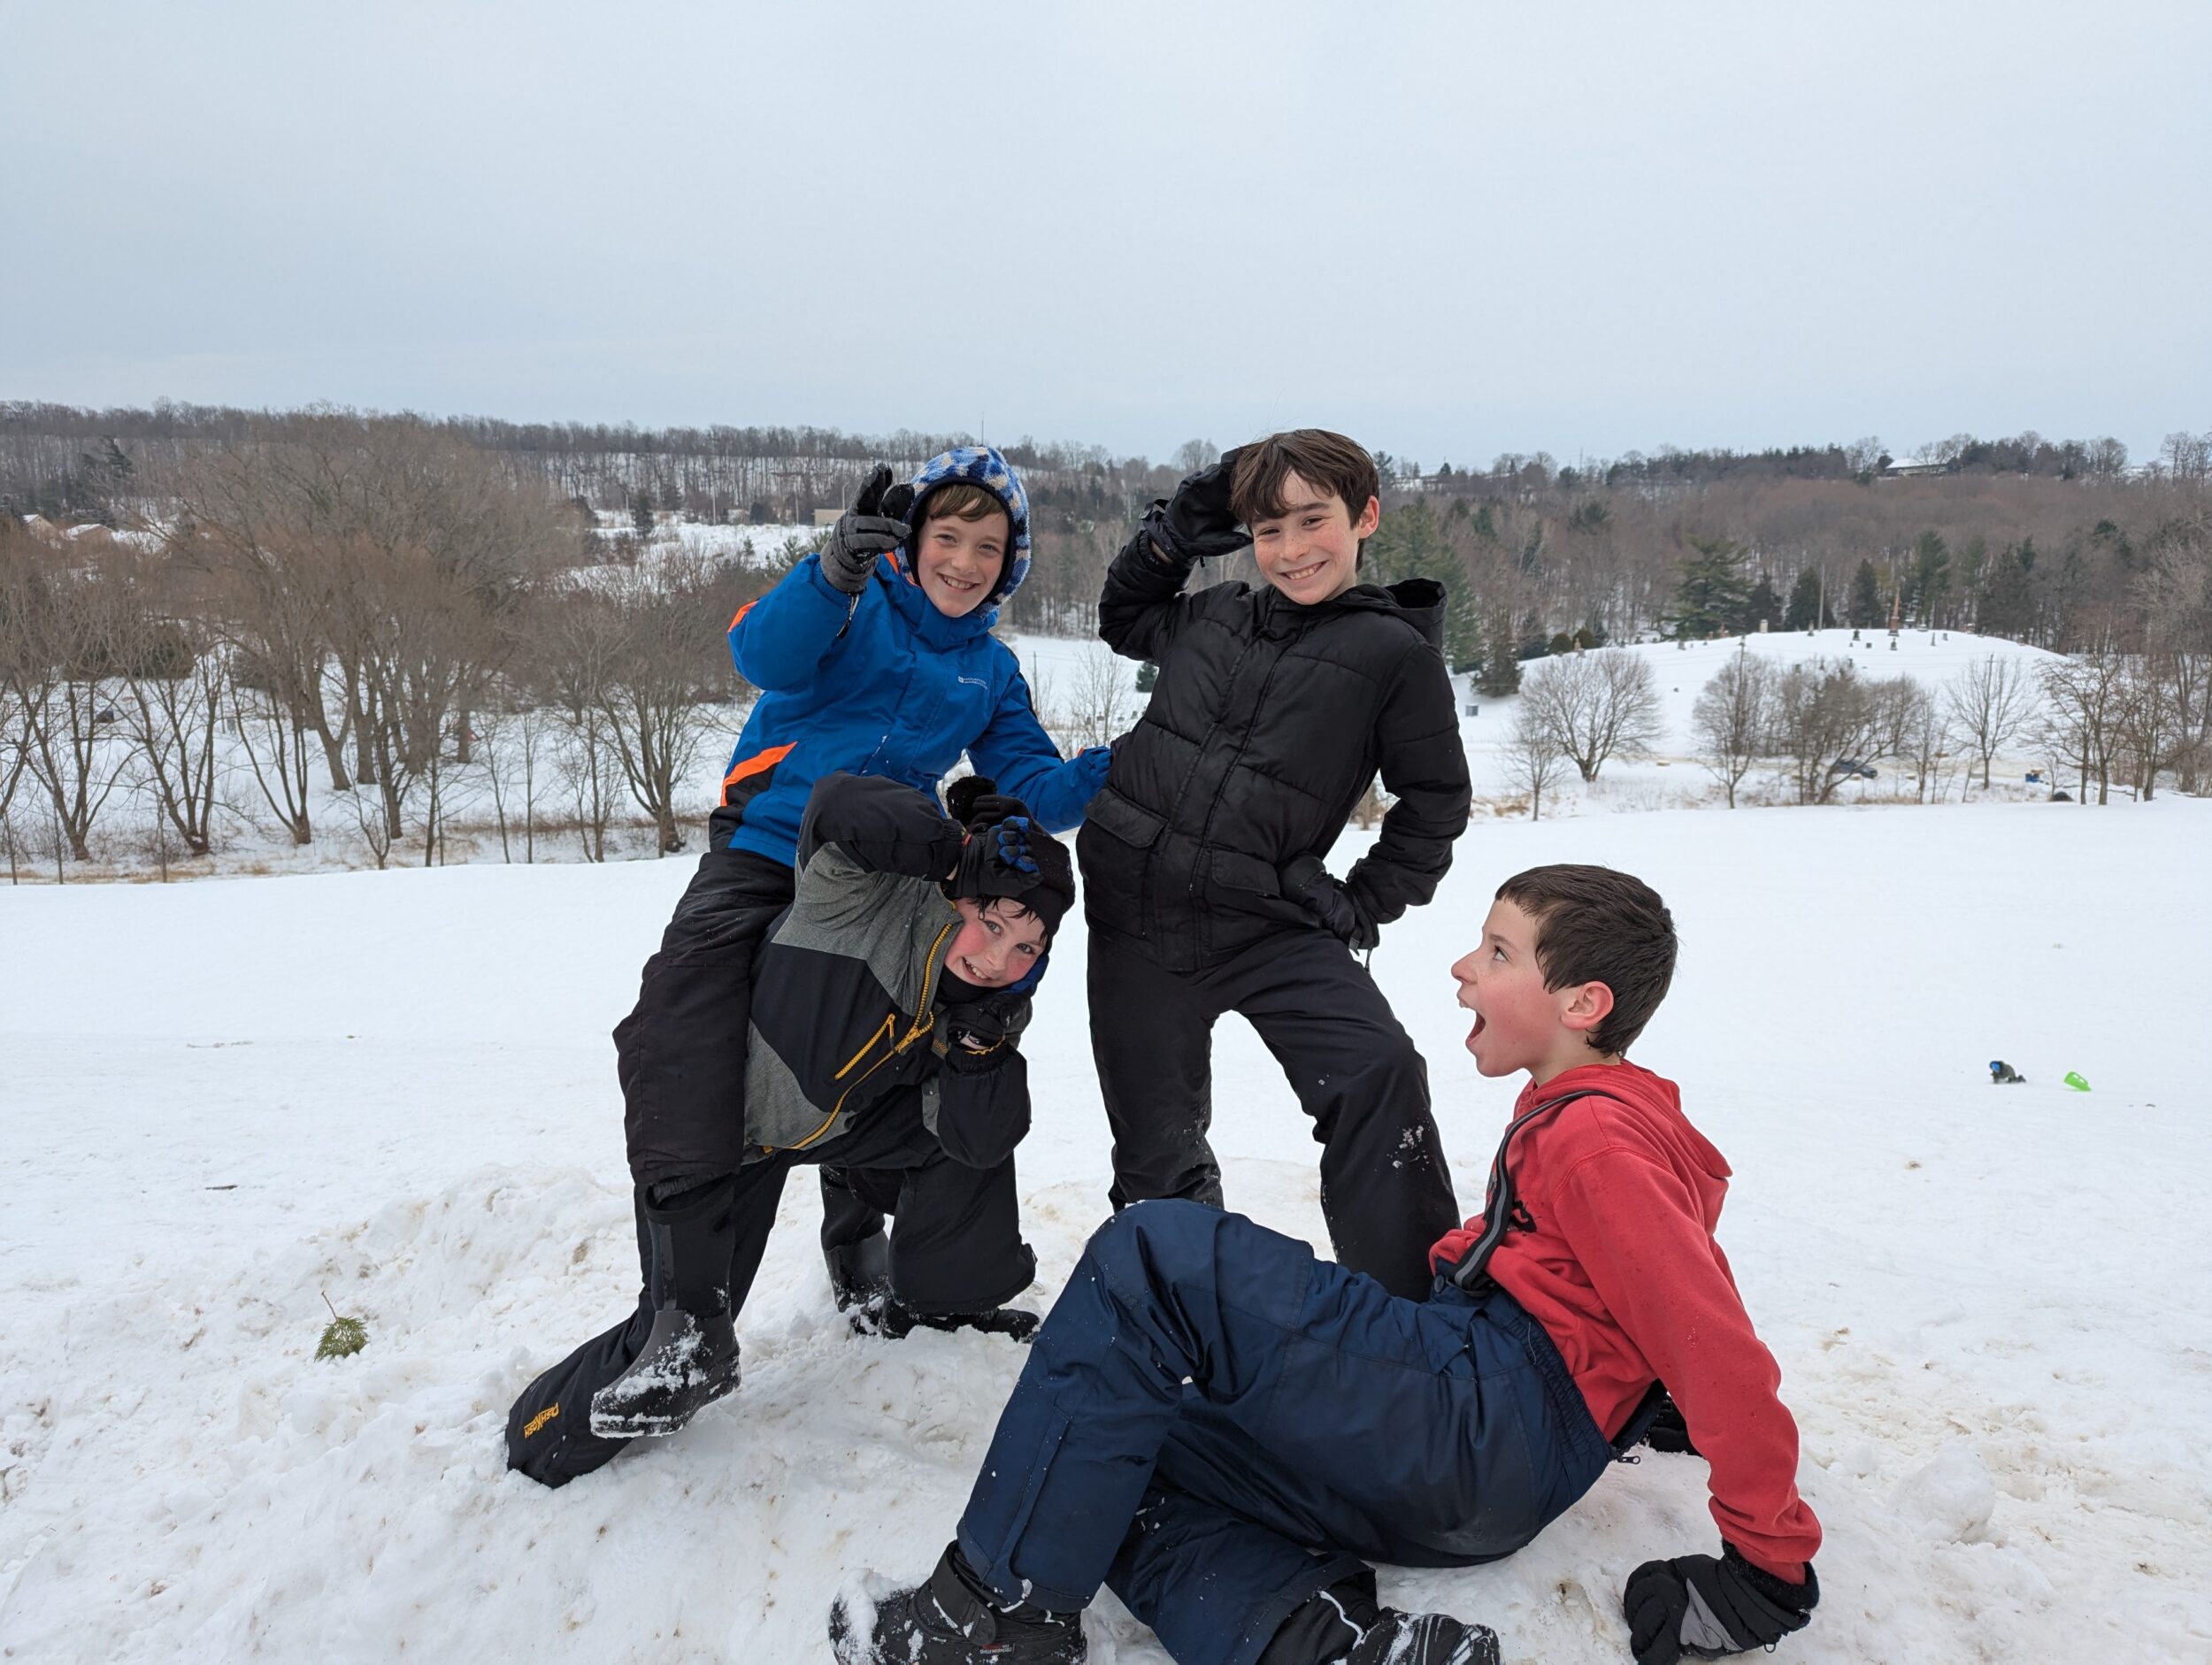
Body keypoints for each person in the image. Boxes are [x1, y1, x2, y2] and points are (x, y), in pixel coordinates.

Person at [833, 864, 1824, 1665]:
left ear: (1583, 1002)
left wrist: (1764, 1573)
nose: (1463, 968)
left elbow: (1709, 1338)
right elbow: (1637, 1294)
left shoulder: (1596, 1138)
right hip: (1484, 1459)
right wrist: (1634, 1396)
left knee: (1152, 1254)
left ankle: (984, 1622)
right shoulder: (1600, 1122)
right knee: (1101, 1443)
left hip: (1485, 1417)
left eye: (1498, 952)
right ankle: (1309, 1641)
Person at [507, 771, 1076, 1488]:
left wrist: (980, 1054)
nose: (999, 960)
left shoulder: (986, 1006)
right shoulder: (858, 895)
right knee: (679, 1343)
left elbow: (974, 1142)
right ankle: (536, 1439)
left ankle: (938, 1306)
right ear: (958, 893)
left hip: (841, 1124)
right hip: (735, 1139)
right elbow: (839, 805)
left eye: (1027, 947)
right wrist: (957, 849)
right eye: (992, 924)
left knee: (977, 1129)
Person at [1079, 430, 1472, 1298]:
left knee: (1378, 1074)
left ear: (1365, 516)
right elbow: (1123, 618)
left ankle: (1410, 1315)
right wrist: (1168, 540)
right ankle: (1178, 1311)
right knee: (1156, 1143)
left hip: (1266, 922)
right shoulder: (1216, 616)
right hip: (1134, 918)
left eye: (1312, 520)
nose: (1291, 550)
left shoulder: (1392, 656)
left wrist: (1361, 903)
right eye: (1268, 529)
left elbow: (1435, 801)